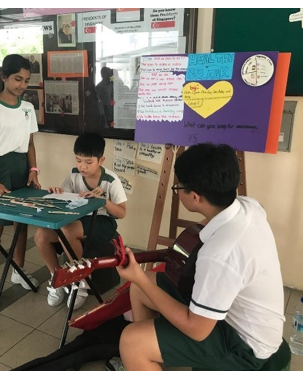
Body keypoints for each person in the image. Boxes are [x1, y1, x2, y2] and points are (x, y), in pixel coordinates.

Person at [116, 143, 284, 371]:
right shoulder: (248, 206)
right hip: (240, 317)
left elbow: (196, 329)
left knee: (130, 340)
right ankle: (156, 361)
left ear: (195, 197)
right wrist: (141, 282)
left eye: (178, 187)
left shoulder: (219, 254)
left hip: (245, 345)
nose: (177, 190)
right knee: (140, 290)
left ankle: (140, 354)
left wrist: (139, 277)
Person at [0, 54, 42, 309]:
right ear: (3, 77)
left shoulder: (27, 108)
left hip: (21, 169)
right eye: (17, 79)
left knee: (21, 224)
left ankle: (18, 270)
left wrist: (34, 170)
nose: (22, 85)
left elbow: (30, 144)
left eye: (26, 81)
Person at [34, 132, 127, 309]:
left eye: (88, 162)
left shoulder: (110, 180)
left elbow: (122, 212)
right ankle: (58, 280)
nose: (82, 166)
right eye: (78, 160)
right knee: (41, 235)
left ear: (101, 160)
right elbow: (66, 196)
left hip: (102, 222)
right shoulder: (74, 174)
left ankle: (80, 282)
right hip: (78, 219)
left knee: (68, 232)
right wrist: (57, 192)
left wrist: (103, 201)